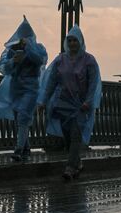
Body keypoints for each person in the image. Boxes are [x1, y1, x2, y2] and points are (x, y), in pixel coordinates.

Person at [39, 25, 102, 180]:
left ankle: (70, 168)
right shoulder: (60, 60)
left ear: (81, 42)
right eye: (70, 40)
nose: (73, 43)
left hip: (81, 104)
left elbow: (93, 83)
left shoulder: (89, 60)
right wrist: (43, 101)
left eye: (75, 40)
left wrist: (89, 101)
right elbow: (51, 83)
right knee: (67, 135)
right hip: (63, 103)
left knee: (75, 134)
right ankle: (77, 162)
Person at [0, 16, 48, 162]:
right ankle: (26, 149)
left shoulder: (38, 48)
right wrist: (13, 61)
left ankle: (18, 150)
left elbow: (40, 60)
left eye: (26, 35)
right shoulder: (12, 50)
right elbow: (3, 68)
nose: (23, 38)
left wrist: (29, 47)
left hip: (31, 89)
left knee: (23, 117)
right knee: (19, 119)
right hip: (16, 89)